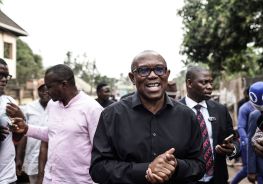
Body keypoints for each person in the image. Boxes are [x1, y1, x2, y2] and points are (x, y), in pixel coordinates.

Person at [90, 50, 206, 184]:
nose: (152, 75)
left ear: (167, 75)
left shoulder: (187, 116)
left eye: (159, 69)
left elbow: (200, 166)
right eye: (143, 70)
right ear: (132, 77)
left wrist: (176, 166)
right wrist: (146, 169)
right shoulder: (111, 116)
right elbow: (98, 169)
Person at [11, 64, 103, 183]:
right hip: (51, 179)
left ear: (64, 84)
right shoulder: (52, 105)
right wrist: (26, 128)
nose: (47, 92)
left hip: (79, 180)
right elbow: (53, 133)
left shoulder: (92, 109)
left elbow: (100, 150)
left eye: (49, 87)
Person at [179, 66, 240, 184]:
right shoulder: (174, 111)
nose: (210, 86)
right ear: (189, 83)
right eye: (204, 82)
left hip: (217, 178)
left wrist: (232, 149)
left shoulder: (220, 110)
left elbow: (235, 139)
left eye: (211, 82)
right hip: (185, 179)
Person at [15, 79, 50, 184]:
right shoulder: (29, 108)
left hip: (51, 157)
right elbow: (24, 133)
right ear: (37, 91)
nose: (45, 92)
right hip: (32, 156)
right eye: (41, 90)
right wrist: (19, 158)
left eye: (47, 89)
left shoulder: (57, 107)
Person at [0, 58, 24, 183]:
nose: (4, 80)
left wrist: (21, 126)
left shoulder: (10, 102)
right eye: (0, 75)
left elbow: (17, 137)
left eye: (6, 76)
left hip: (7, 176)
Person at [231, 88, 256, 184]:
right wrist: (246, 142)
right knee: (247, 169)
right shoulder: (245, 107)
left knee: (261, 170)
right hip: (248, 143)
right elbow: (241, 126)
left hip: (260, 143)